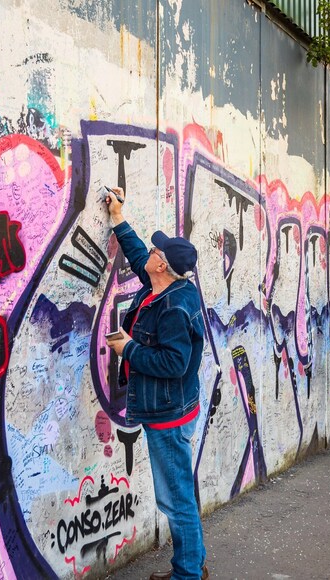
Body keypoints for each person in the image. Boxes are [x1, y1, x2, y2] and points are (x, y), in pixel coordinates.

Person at [102, 187, 209, 580]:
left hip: (167, 416)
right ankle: (192, 564)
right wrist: (118, 218)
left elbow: (174, 363)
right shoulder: (165, 287)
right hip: (174, 408)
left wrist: (128, 349)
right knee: (180, 493)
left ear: (162, 266)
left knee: (175, 499)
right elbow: (135, 254)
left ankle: (187, 575)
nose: (149, 254)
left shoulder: (174, 306)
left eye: (155, 253)